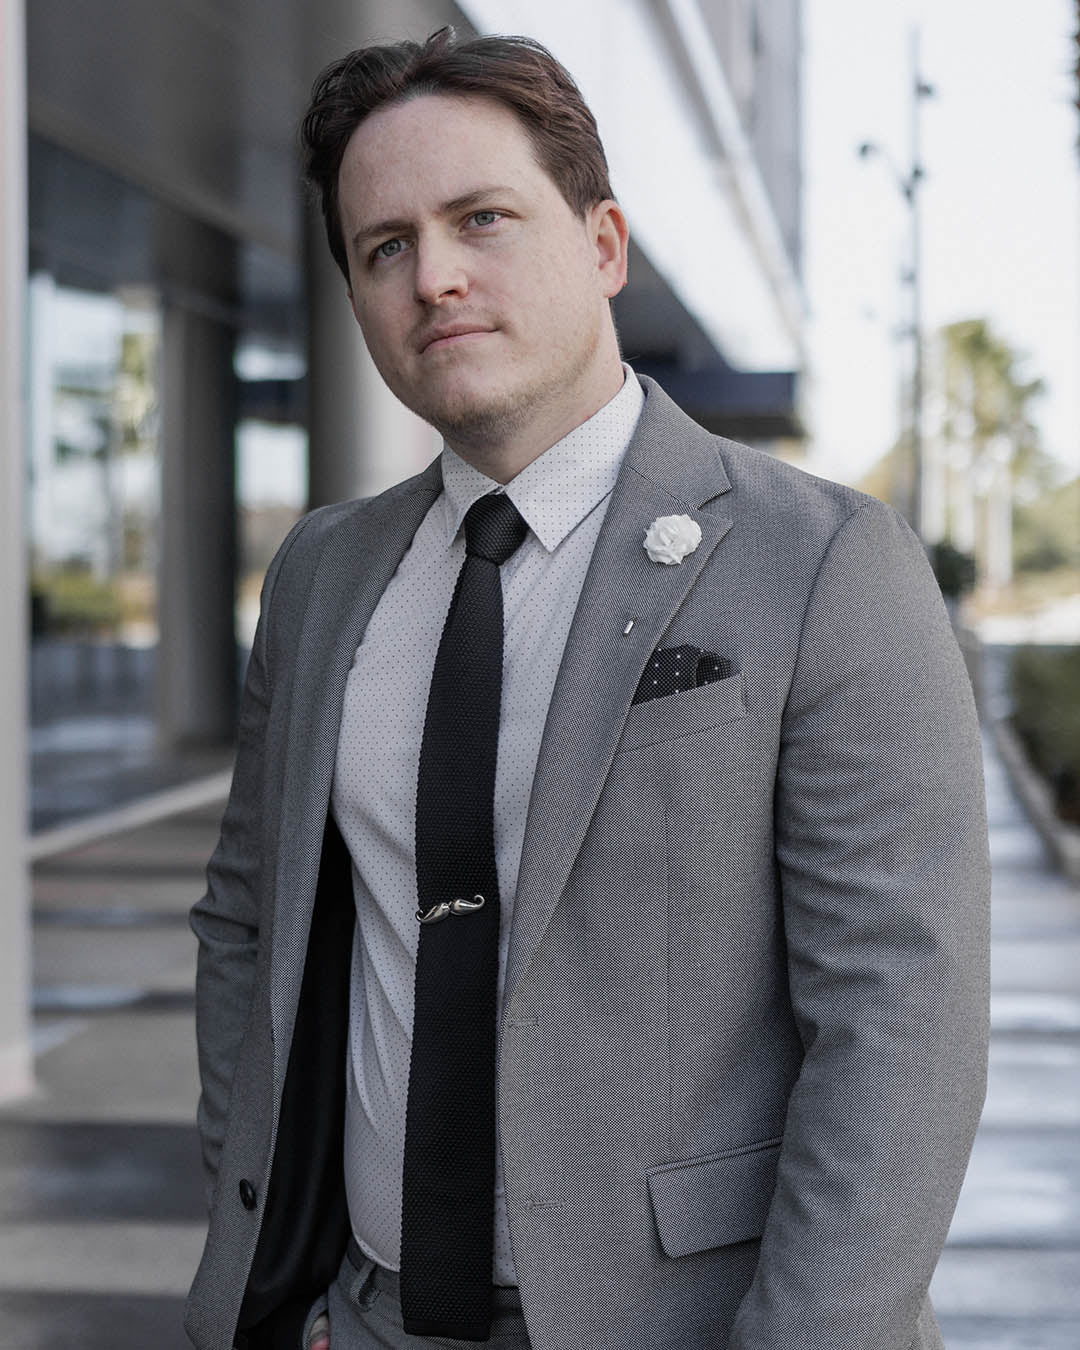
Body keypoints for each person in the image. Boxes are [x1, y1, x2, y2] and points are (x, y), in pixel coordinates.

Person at [185, 27, 990, 1350]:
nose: (434, 275)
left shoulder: (825, 561)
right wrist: (278, 1246)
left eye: (480, 219)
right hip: (370, 1316)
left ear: (604, 244)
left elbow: (902, 1017)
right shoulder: (324, 573)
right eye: (385, 246)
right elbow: (245, 926)